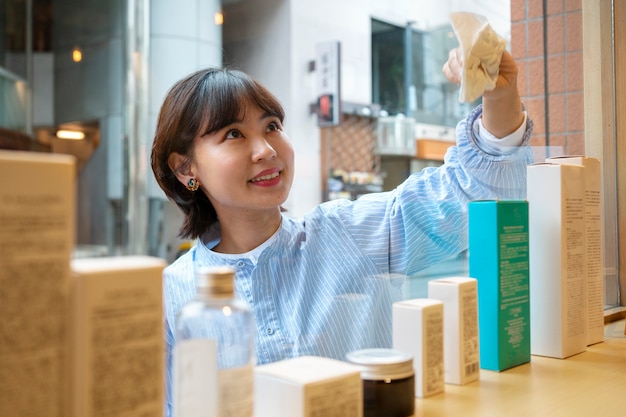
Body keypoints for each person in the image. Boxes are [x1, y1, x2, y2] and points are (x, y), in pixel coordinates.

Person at [151, 47, 533, 415]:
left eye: (272, 126)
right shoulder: (169, 297)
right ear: (186, 169)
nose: (266, 150)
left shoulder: (348, 234)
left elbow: (475, 191)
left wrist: (499, 95)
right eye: (233, 134)